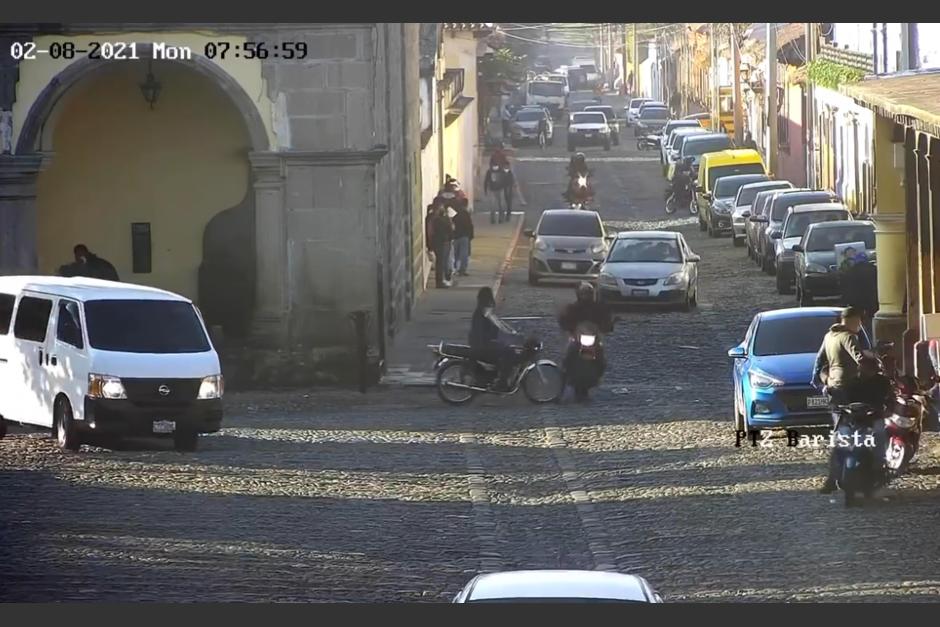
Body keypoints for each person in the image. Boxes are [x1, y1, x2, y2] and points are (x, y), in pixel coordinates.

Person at [811, 306, 868, 494]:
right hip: (849, 388)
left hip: (833, 388)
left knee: (840, 431)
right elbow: (861, 360)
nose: (860, 324)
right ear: (852, 320)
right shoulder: (849, 337)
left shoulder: (829, 336)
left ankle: (833, 478)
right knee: (856, 431)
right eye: (859, 320)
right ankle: (853, 475)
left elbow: (819, 361)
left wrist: (819, 382)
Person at [558, 282, 614, 382]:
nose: (586, 296)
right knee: (568, 353)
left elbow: (606, 319)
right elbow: (565, 319)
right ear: (579, 294)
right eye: (583, 294)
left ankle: (598, 372)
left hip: (594, 336)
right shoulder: (573, 308)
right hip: (578, 336)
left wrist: (608, 325)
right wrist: (567, 326)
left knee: (600, 354)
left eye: (587, 294)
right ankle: (566, 373)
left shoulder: (599, 307)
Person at [469, 287, 521, 392]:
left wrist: (508, 332)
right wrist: (504, 336)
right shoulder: (484, 312)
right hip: (482, 346)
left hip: (480, 343)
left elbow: (498, 323)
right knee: (509, 352)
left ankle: (500, 377)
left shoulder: (482, 311)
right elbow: (493, 328)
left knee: (506, 350)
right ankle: (503, 381)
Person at [430, 203, 454, 288]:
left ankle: (441, 280)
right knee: (442, 262)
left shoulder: (433, 219)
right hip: (443, 242)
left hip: (437, 242)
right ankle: (440, 281)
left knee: (440, 262)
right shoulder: (443, 220)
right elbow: (450, 230)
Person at [451, 198, 474, 276]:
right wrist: (471, 236)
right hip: (464, 236)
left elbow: (452, 224)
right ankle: (462, 270)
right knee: (464, 254)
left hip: (456, 236)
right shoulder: (466, 214)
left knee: (455, 255)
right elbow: (470, 226)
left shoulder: (455, 214)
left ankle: (454, 269)